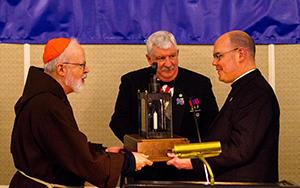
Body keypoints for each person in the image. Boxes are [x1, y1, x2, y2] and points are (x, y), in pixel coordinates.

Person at [9, 37, 153, 188]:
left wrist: (105, 152)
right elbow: (76, 157)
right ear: (61, 69)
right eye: (81, 65)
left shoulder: (50, 98)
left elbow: (63, 146)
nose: (86, 70)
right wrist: (127, 161)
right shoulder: (46, 104)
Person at [167, 30, 280, 183]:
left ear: (240, 54)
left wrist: (194, 162)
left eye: (219, 56)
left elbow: (241, 150)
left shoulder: (256, 94)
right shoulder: (244, 89)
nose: (214, 62)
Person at [109, 31, 219, 181]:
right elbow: (119, 120)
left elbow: (212, 124)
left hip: (185, 171)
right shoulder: (132, 82)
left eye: (172, 56)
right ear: (149, 59)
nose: (168, 64)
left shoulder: (199, 84)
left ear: (177, 53)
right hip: (144, 169)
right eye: (161, 58)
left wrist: (186, 150)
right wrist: (141, 145)